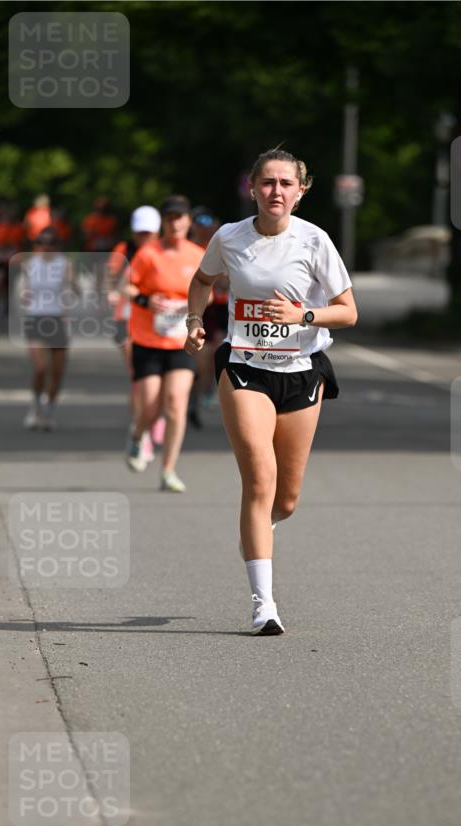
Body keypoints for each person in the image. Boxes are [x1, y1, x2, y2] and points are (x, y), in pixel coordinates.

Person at [185, 148, 357, 634]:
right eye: (267, 183)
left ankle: (259, 529)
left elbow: (348, 312)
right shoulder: (230, 237)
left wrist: (302, 315)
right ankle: (264, 606)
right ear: (252, 189)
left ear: (301, 192)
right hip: (245, 368)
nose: (275, 191)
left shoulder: (315, 241)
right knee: (259, 481)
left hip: (302, 370)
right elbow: (202, 281)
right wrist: (194, 320)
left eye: (286, 183)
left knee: (285, 500)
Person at [125, 195, 205, 492]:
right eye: (169, 217)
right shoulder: (149, 253)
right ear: (163, 222)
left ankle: (168, 469)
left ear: (187, 221)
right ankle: (137, 436)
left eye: (180, 217)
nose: (175, 222)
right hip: (148, 338)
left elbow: (209, 286)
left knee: (175, 404)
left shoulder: (197, 254)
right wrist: (147, 299)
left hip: (182, 341)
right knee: (149, 406)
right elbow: (126, 285)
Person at [106, 205, 162, 461]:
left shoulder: (163, 252)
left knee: (159, 379)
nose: (144, 238)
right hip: (126, 319)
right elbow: (109, 277)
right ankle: (142, 429)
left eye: (149, 233)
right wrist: (113, 290)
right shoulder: (123, 251)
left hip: (158, 323)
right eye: (140, 233)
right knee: (139, 377)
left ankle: (152, 417)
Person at [18, 226, 73, 430]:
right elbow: (23, 289)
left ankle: (49, 408)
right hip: (36, 318)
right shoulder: (29, 264)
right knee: (41, 368)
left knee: (57, 372)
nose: (46, 246)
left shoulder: (65, 264)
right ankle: (35, 407)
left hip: (58, 319)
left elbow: (74, 291)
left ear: (57, 245)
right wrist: (23, 295)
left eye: (51, 243)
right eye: (42, 242)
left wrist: (72, 285)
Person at [187, 206, 228, 426]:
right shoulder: (187, 248)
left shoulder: (220, 245)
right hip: (194, 307)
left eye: (209, 224)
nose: (205, 229)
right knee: (199, 356)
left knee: (216, 351)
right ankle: (193, 397)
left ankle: (206, 391)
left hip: (219, 308)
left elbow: (225, 280)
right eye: (199, 224)